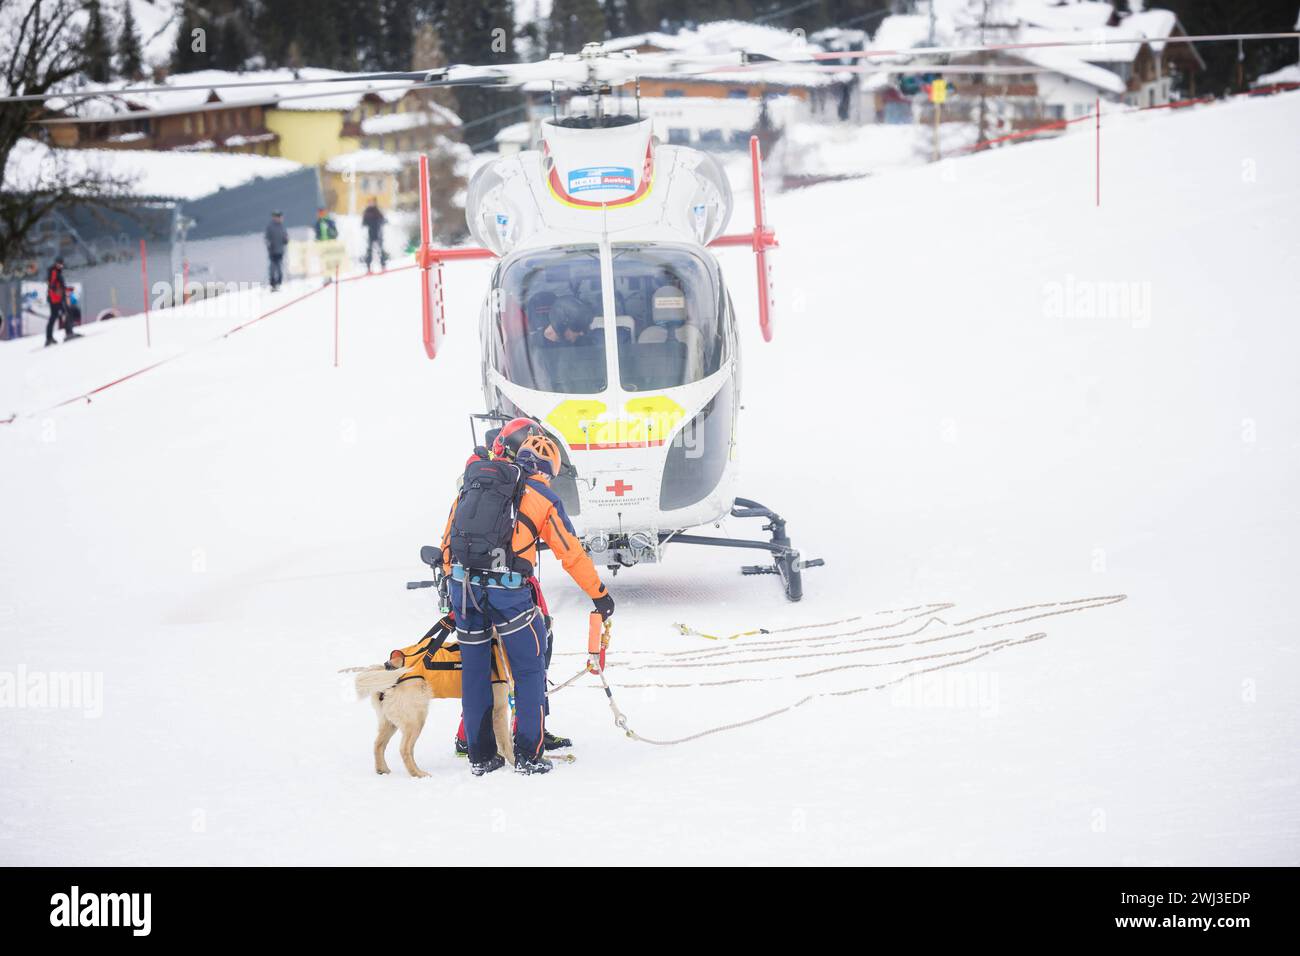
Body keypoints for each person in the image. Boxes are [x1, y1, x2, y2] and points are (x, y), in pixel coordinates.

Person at [441, 427, 614, 776]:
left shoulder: (475, 482)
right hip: (508, 592)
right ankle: (528, 755)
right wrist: (599, 595)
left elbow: (448, 539)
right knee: (529, 670)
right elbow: (572, 554)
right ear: (548, 470)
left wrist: (452, 584)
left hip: (463, 590)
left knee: (476, 673)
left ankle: (481, 755)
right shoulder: (542, 497)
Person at [44, 257, 77, 346]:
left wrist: (67, 289)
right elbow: (53, 286)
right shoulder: (54, 271)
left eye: (61, 264)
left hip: (55, 298)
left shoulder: (56, 271)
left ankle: (49, 338)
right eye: (59, 263)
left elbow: (57, 286)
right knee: (67, 313)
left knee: (55, 317)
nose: (61, 265)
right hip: (56, 299)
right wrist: (60, 291)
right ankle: (68, 333)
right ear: (56, 263)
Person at [361, 198, 388, 272]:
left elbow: (383, 220)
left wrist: (381, 222)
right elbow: (363, 223)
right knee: (369, 251)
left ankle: (383, 266)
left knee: (381, 250)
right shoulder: (367, 211)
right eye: (370, 202)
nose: (371, 204)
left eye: (373, 202)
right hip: (370, 234)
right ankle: (368, 268)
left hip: (378, 233)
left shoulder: (377, 210)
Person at [264, 210, 288, 292]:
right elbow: (267, 238)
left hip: (280, 251)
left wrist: (286, 240)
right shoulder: (270, 226)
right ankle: (273, 285)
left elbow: (285, 237)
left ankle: (278, 284)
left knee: (279, 269)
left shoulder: (282, 226)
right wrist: (269, 246)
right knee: (272, 269)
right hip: (272, 252)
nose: (280, 218)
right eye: (278, 217)